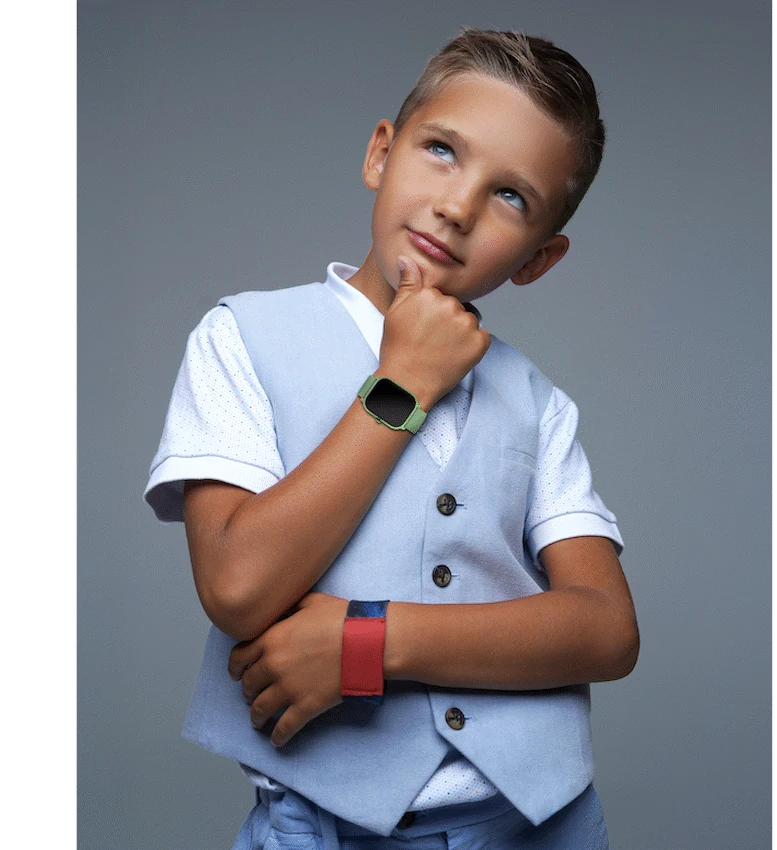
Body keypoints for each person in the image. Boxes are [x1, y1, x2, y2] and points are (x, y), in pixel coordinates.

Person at [145, 27, 639, 849]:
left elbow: (606, 629)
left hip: (537, 824)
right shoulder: (243, 338)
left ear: (539, 259)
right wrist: (403, 384)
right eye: (441, 150)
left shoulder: (538, 405)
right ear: (381, 153)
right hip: (324, 827)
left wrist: (370, 643)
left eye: (510, 196)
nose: (457, 206)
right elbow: (237, 586)